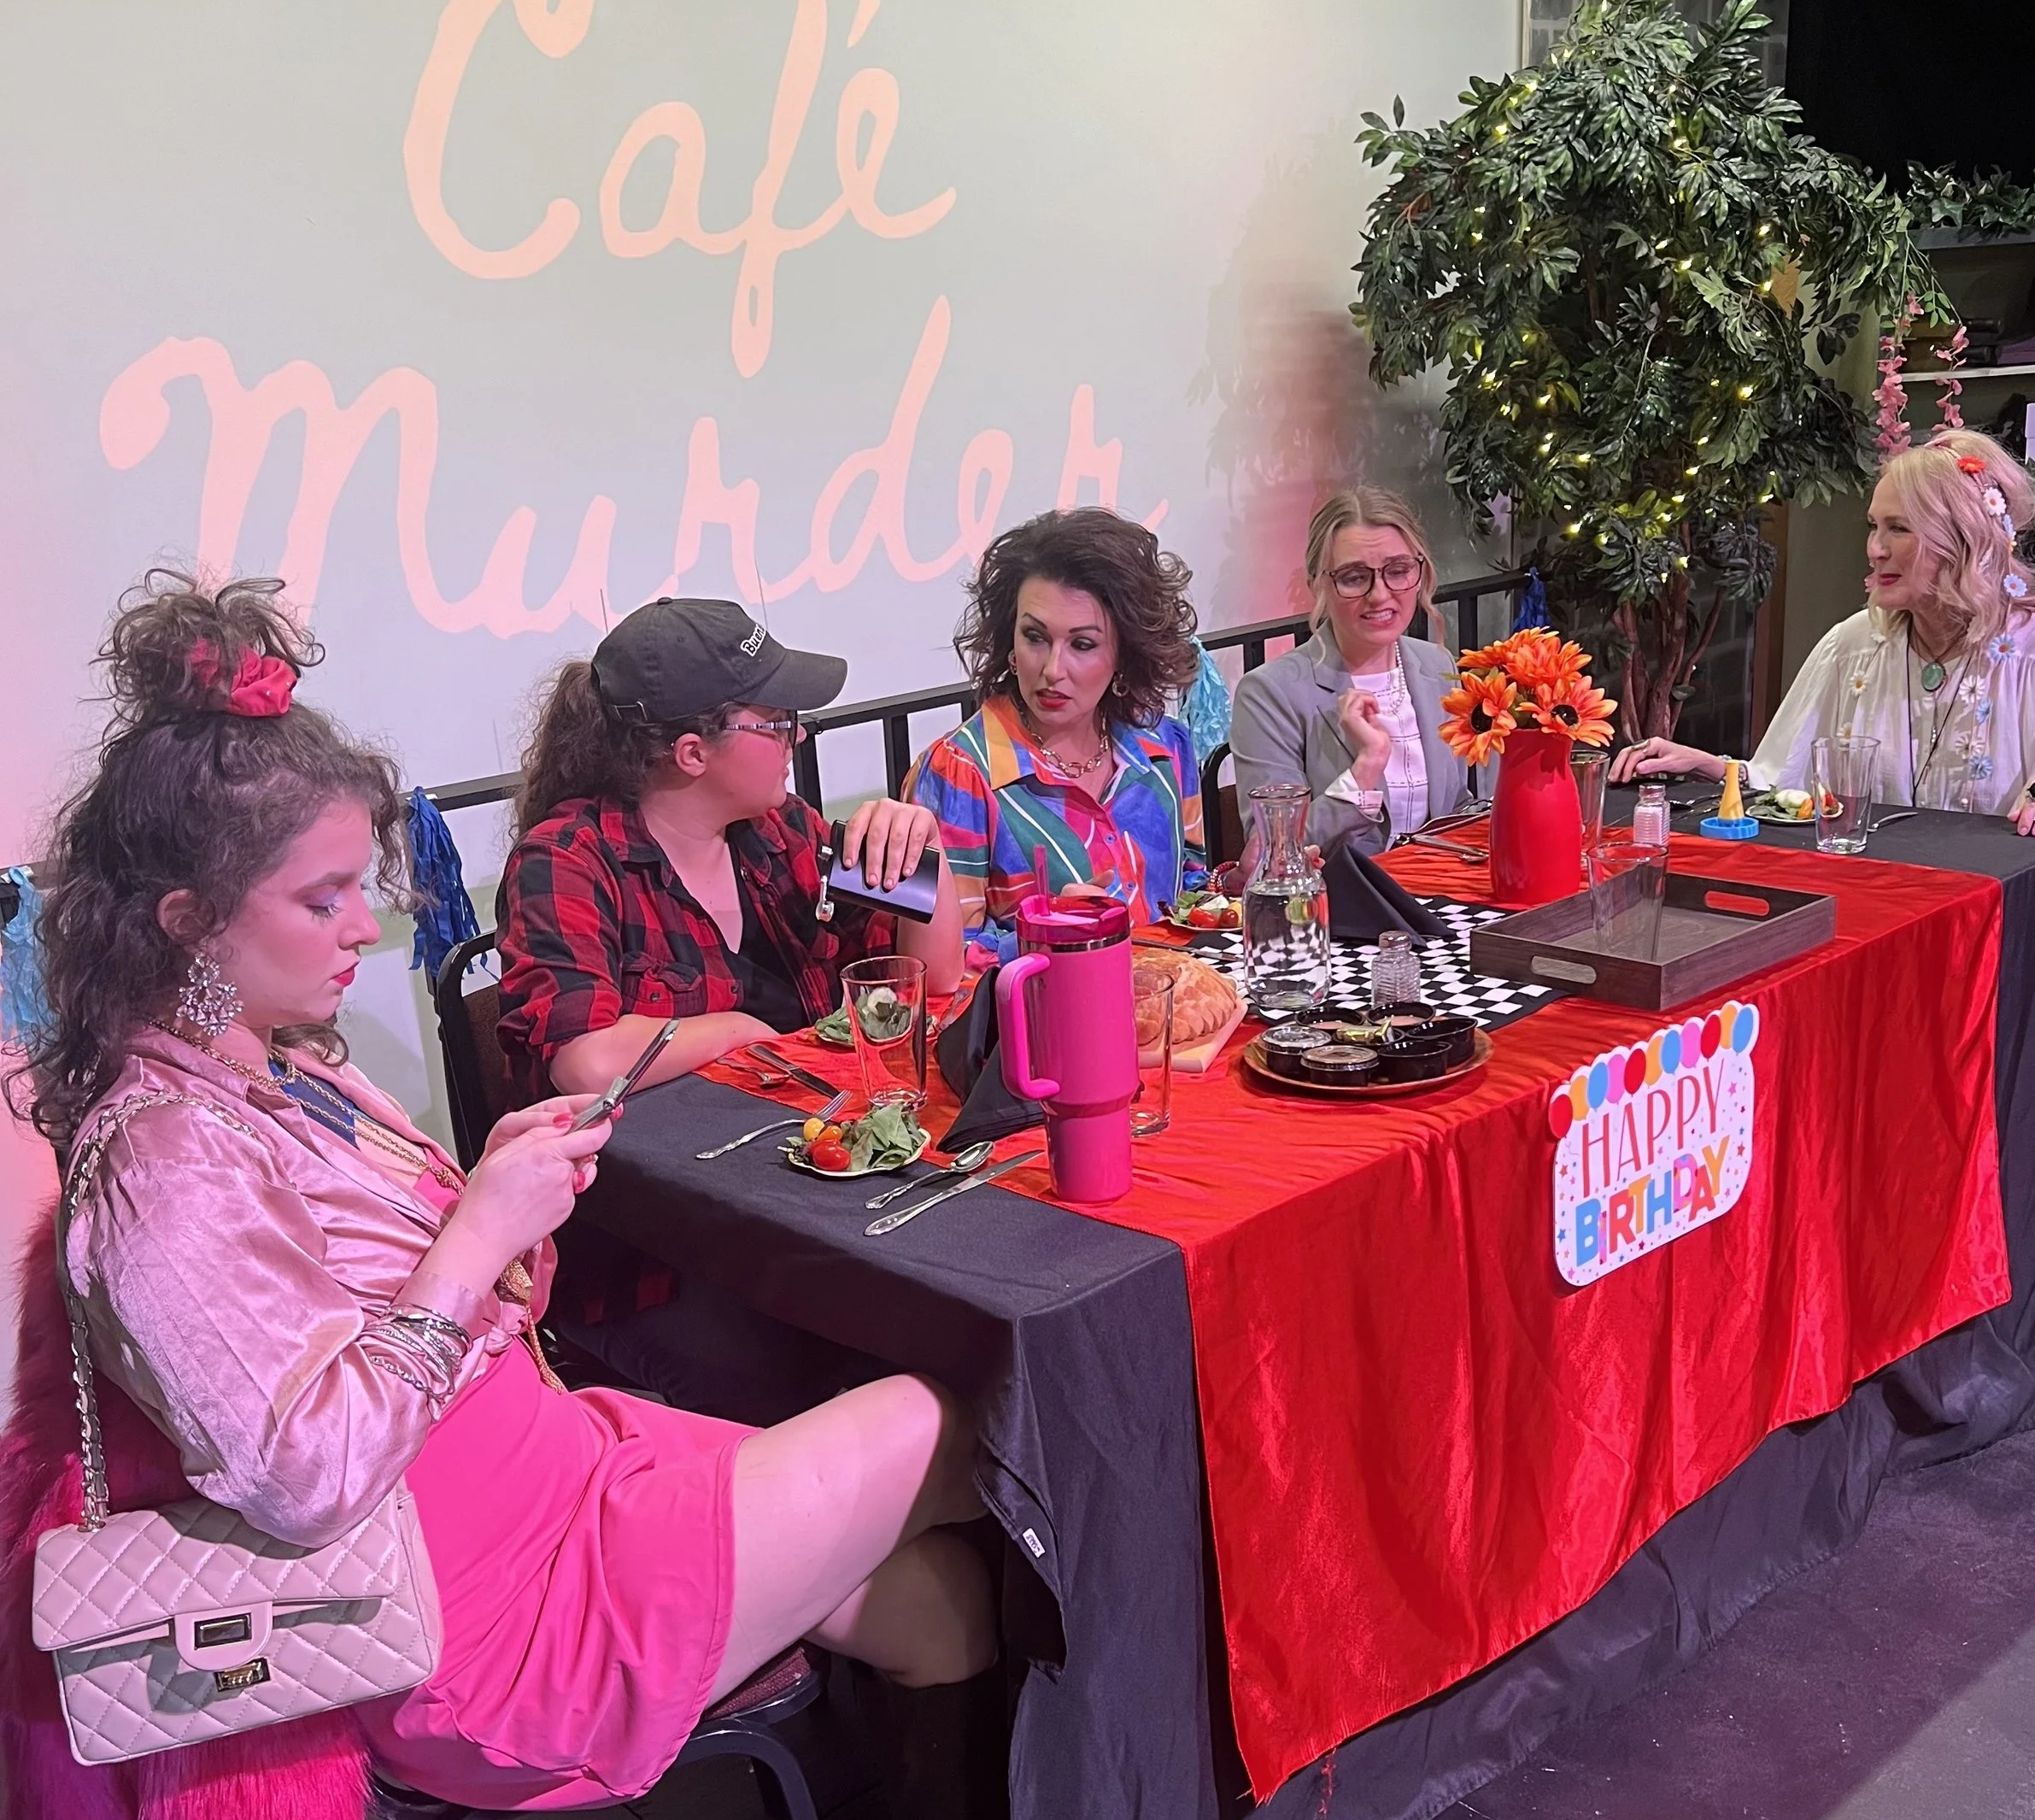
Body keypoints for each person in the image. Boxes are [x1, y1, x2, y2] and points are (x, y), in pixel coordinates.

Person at [18, 573, 1036, 1820]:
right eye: (319, 899)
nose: (359, 932)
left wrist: (489, 1217)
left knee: (943, 1603)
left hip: (563, 1483)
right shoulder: (162, 1166)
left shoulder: (279, 1071)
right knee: (969, 1406)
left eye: (354, 888)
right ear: (185, 920)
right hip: (484, 1627)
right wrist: (469, 1238)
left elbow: (402, 1299)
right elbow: (304, 1480)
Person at [496, 596, 966, 1417]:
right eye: (778, 722)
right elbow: (584, 1057)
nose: (800, 739)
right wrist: (742, 1032)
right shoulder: (568, 859)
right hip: (653, 1255)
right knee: (827, 1378)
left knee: (949, 1324)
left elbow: (932, 979)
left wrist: (925, 862)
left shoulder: (776, 831)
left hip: (805, 1206)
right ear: (691, 751)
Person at [1611, 430, 2035, 857]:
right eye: (1873, 527)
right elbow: (1782, 784)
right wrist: (1710, 767)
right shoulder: (1852, 645)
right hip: (1877, 910)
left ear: (1963, 542)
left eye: (1898, 529)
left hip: (1997, 926)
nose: (1875, 549)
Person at [906, 508, 1205, 961]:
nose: (1052, 670)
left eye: (1082, 644)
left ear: (1124, 654)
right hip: (1037, 1023)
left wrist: (1236, 887)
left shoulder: (1165, 749)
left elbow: (1190, 897)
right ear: (1010, 640)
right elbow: (944, 969)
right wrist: (1051, 932)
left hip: (1171, 1013)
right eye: (1035, 637)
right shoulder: (960, 774)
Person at [1228, 486, 1482, 853]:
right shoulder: (1270, 692)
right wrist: (1366, 767)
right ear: (1317, 584)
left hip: (1439, 891)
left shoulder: (1436, 664)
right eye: (1353, 577)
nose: (1380, 594)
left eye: (1398, 571)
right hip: (1339, 902)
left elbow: (1456, 805)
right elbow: (1270, 849)